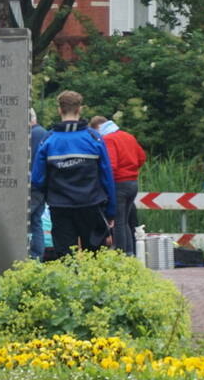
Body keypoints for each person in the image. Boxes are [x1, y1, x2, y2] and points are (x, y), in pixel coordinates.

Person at [30, 91, 116, 258]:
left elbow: (37, 179)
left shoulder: (48, 140)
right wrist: (110, 211)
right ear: (80, 109)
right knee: (94, 256)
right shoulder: (94, 138)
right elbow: (107, 177)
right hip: (91, 204)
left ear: (59, 110)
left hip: (60, 206)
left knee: (65, 257)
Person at [89, 115, 147, 256]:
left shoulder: (108, 139)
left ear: (97, 128)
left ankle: (121, 255)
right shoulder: (128, 136)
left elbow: (111, 166)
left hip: (119, 183)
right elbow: (142, 157)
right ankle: (130, 252)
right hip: (133, 183)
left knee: (118, 222)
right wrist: (132, 171)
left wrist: (105, 182)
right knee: (125, 221)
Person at [28, 108, 49, 261]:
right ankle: (37, 257)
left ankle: (28, 256)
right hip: (42, 184)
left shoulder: (31, 134)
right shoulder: (44, 133)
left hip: (30, 184)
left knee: (21, 220)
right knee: (36, 221)